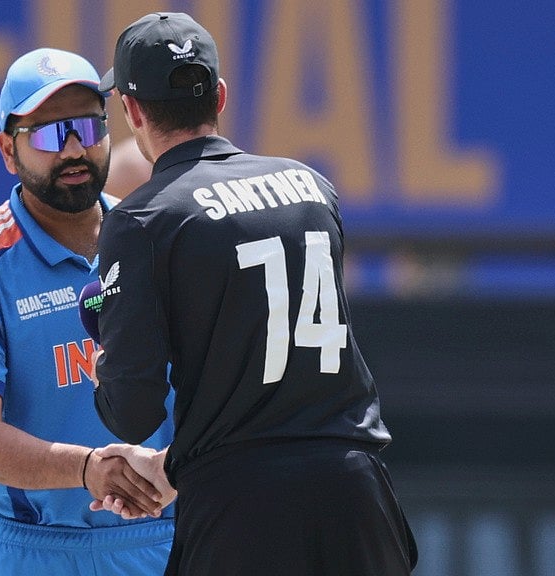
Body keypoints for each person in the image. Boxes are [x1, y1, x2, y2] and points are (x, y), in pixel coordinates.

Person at [90, 13, 418, 575]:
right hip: (357, 495)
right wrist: (176, 468)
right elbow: (284, 387)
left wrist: (104, 365)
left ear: (133, 111)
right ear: (219, 95)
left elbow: (133, 412)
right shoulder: (312, 187)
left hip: (242, 515)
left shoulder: (143, 218)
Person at [0, 47, 174, 576]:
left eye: (87, 125)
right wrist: (87, 470)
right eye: (49, 134)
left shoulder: (161, 241)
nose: (75, 148)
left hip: (166, 541)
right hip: (27, 552)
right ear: (8, 152)